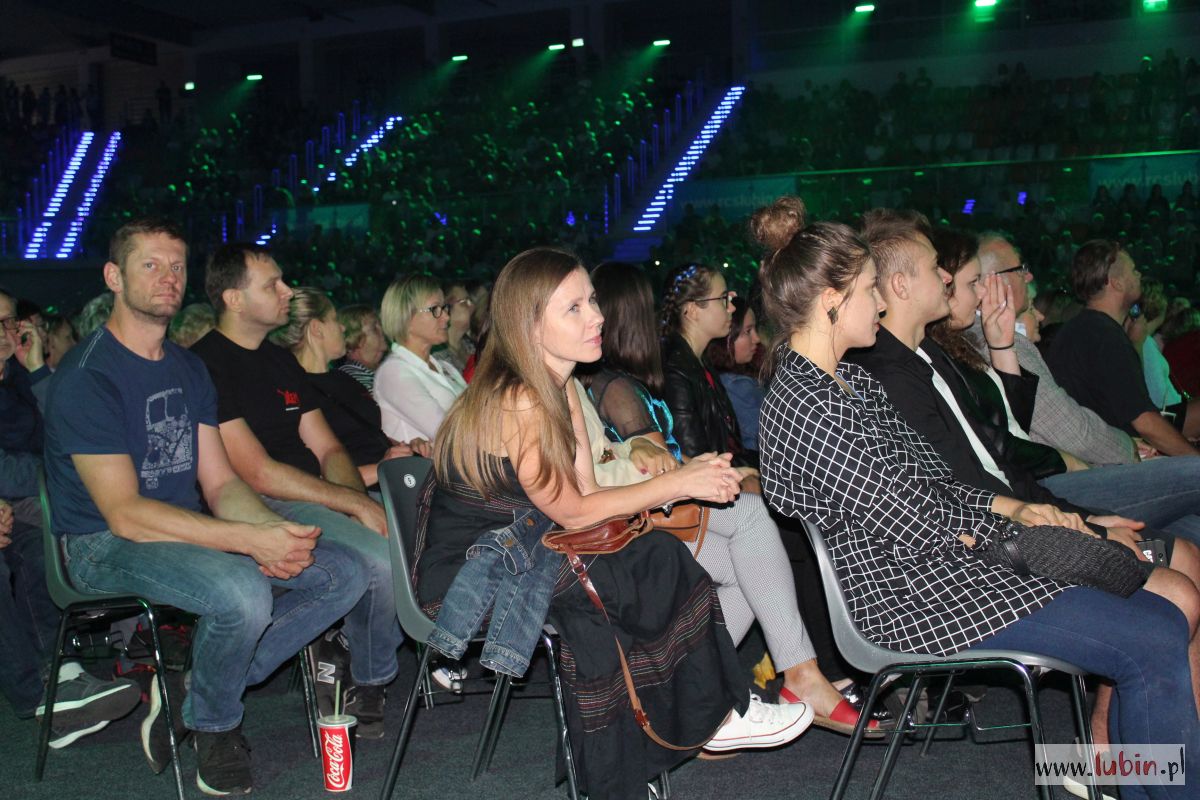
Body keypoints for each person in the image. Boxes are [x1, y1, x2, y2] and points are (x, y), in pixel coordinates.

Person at [752, 196, 1198, 800]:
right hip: (910, 598)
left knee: (1163, 620)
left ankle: (1137, 779)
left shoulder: (848, 381)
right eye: (869, 290)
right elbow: (913, 518)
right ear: (832, 301)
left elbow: (935, 483)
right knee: (1153, 637)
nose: (879, 303)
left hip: (942, 571)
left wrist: (1012, 512)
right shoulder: (806, 402)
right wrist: (1023, 533)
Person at [420, 247, 812, 800]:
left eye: (593, 301)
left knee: (683, 559)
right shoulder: (520, 397)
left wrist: (681, 480)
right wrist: (678, 484)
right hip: (477, 568)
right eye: (575, 307)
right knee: (646, 561)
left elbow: (588, 495)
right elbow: (573, 511)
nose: (597, 316)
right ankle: (714, 713)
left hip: (536, 542)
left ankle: (696, 710)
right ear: (530, 325)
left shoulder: (562, 385)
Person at [42, 219, 365, 794]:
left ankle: (196, 688)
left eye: (177, 266)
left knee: (344, 572)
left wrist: (272, 530)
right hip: (101, 544)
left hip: (181, 530)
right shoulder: (89, 375)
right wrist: (246, 541)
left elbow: (219, 483)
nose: (168, 277)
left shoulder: (187, 366)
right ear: (114, 277)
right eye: (150, 265)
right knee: (241, 593)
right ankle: (215, 727)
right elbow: (125, 514)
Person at [586, 260, 883, 735]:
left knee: (759, 551)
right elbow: (653, 465)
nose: (730, 307)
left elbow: (673, 455)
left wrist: (726, 470)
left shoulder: (661, 374)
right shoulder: (627, 383)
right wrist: (712, 471)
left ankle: (708, 693)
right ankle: (798, 675)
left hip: (647, 515)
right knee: (765, 525)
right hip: (623, 533)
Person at [191, 243, 403, 739]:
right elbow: (256, 472)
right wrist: (352, 504)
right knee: (380, 558)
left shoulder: (278, 361)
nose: (288, 291)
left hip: (311, 494)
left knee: (397, 534)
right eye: (273, 285)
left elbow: (328, 448)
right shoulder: (206, 364)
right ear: (234, 299)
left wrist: (355, 503)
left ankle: (217, 680)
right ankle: (369, 680)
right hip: (254, 503)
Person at [974, 234, 1137, 465]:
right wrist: (1128, 448)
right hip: (1052, 477)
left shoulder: (973, 336)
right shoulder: (1001, 341)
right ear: (993, 282)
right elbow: (1069, 430)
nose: (1028, 276)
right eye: (1020, 270)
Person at [1047, 240, 1200, 454]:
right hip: (1114, 450)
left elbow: (1132, 401)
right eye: (1134, 270)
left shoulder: (1085, 327)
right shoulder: (1104, 336)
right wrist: (1194, 460)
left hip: (1113, 437)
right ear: (1117, 283)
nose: (1139, 275)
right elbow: (1144, 423)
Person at [272, 287, 431, 489]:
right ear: (316, 329)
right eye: (334, 320)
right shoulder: (294, 391)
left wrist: (407, 448)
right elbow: (312, 478)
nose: (343, 328)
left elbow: (370, 435)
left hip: (394, 481)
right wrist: (381, 468)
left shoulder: (343, 378)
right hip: (363, 491)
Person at [659, 264, 759, 482]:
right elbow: (695, 456)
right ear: (693, 310)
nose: (731, 307)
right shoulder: (675, 371)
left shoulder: (701, 362)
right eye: (723, 299)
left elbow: (729, 444)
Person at [373, 274, 466, 442]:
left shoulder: (445, 367)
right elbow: (445, 433)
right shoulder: (394, 372)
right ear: (406, 317)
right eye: (435, 309)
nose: (446, 317)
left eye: (444, 308)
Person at [705, 296, 764, 453]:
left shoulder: (726, 376)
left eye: (755, 329)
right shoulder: (736, 385)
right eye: (748, 331)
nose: (757, 338)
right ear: (727, 338)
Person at [335, 304, 387, 392]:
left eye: (380, 325)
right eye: (374, 328)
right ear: (355, 338)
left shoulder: (385, 367)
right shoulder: (350, 379)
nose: (382, 330)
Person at [430, 281, 475, 375]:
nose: (472, 306)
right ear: (446, 308)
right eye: (464, 302)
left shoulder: (471, 345)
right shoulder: (437, 356)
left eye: (470, 301)